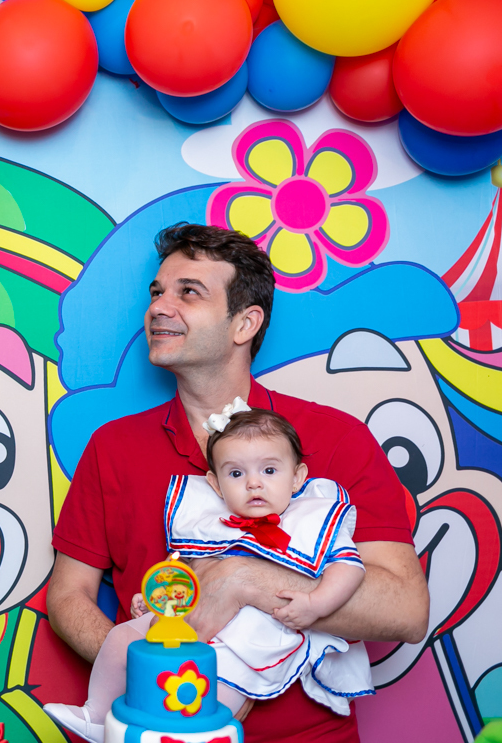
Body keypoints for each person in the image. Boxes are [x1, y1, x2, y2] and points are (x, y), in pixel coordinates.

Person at [46, 223, 428, 742]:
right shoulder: (112, 447)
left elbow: (406, 610)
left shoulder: (338, 439)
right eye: (157, 292)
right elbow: (69, 595)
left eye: (189, 292)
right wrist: (154, 677)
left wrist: (243, 580)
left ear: (244, 323)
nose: (160, 307)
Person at [45, 408, 373, 741]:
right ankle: (98, 717)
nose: (253, 483)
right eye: (235, 474)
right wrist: (157, 601)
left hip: (253, 641)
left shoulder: (314, 520)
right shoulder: (208, 521)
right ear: (215, 484)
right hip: (188, 624)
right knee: (121, 639)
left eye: (270, 470)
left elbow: (350, 568)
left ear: (298, 476)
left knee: (209, 701)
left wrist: (317, 604)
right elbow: (187, 574)